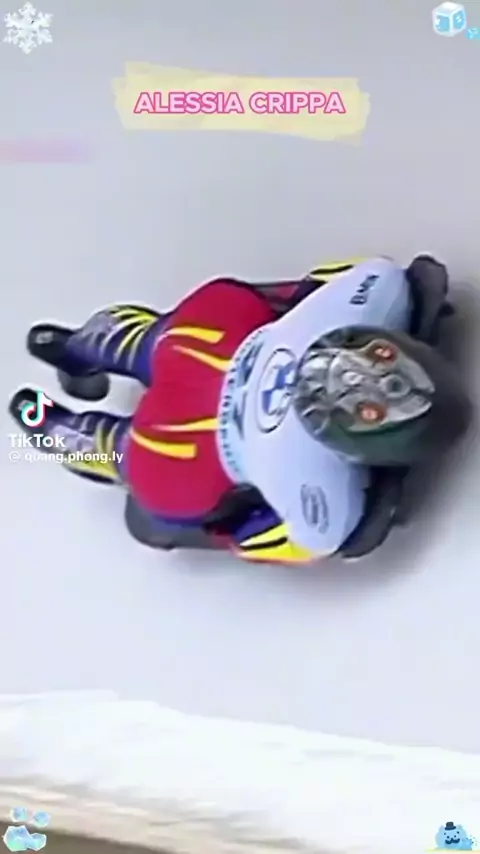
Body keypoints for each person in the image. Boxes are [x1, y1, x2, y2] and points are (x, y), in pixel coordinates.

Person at [9, 256, 469, 564]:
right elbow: (278, 539)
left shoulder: (374, 292)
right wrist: (233, 528)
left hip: (211, 340)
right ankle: (53, 417)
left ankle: (67, 352)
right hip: (191, 443)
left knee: (169, 338)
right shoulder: (311, 491)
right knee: (150, 468)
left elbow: (329, 281)